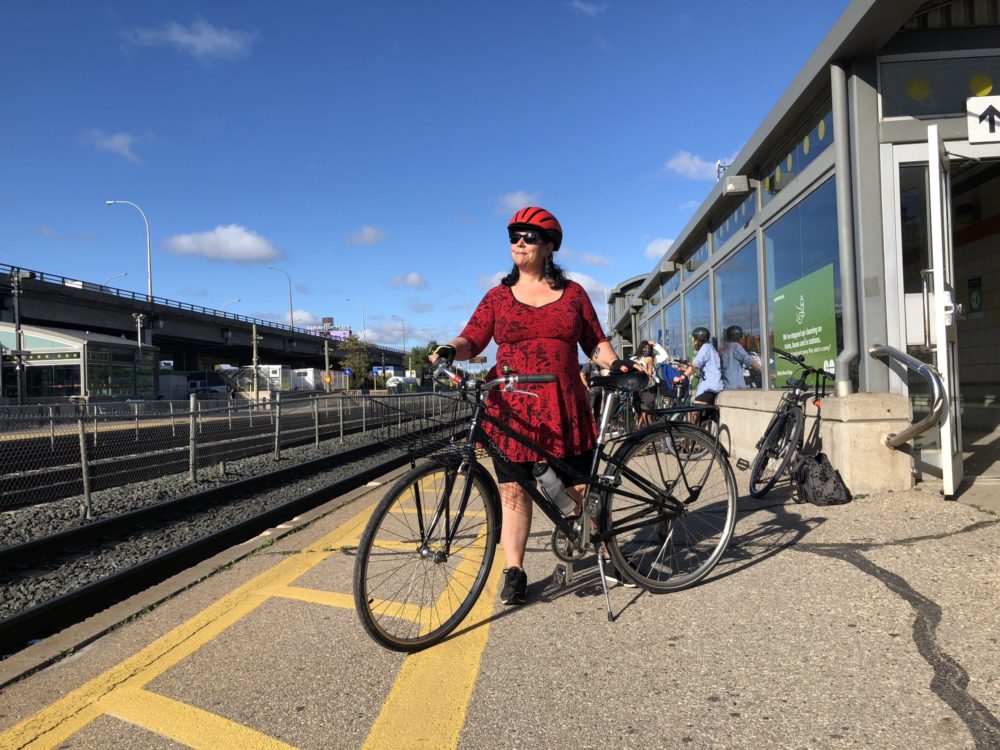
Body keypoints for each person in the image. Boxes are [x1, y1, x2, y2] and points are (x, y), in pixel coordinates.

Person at [428, 206, 635, 605]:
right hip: (510, 407)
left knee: (579, 486)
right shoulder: (497, 297)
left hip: (563, 404)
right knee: (514, 492)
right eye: (513, 235)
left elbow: (595, 343)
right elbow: (472, 338)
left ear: (549, 246)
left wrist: (616, 363)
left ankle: (609, 554)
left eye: (529, 235)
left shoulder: (573, 294)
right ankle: (515, 570)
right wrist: (448, 349)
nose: (519, 242)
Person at [676, 326, 723, 424]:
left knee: (693, 410)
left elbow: (696, 364)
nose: (694, 343)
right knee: (698, 414)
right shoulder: (710, 348)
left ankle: (694, 436)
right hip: (712, 386)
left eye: (694, 340)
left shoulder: (705, 347)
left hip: (710, 387)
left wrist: (682, 376)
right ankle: (697, 434)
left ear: (699, 339)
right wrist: (686, 370)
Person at [720, 325, 760, 389]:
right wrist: (762, 369)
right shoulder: (735, 346)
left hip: (726, 385)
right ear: (739, 336)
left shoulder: (725, 348)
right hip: (737, 387)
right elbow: (748, 360)